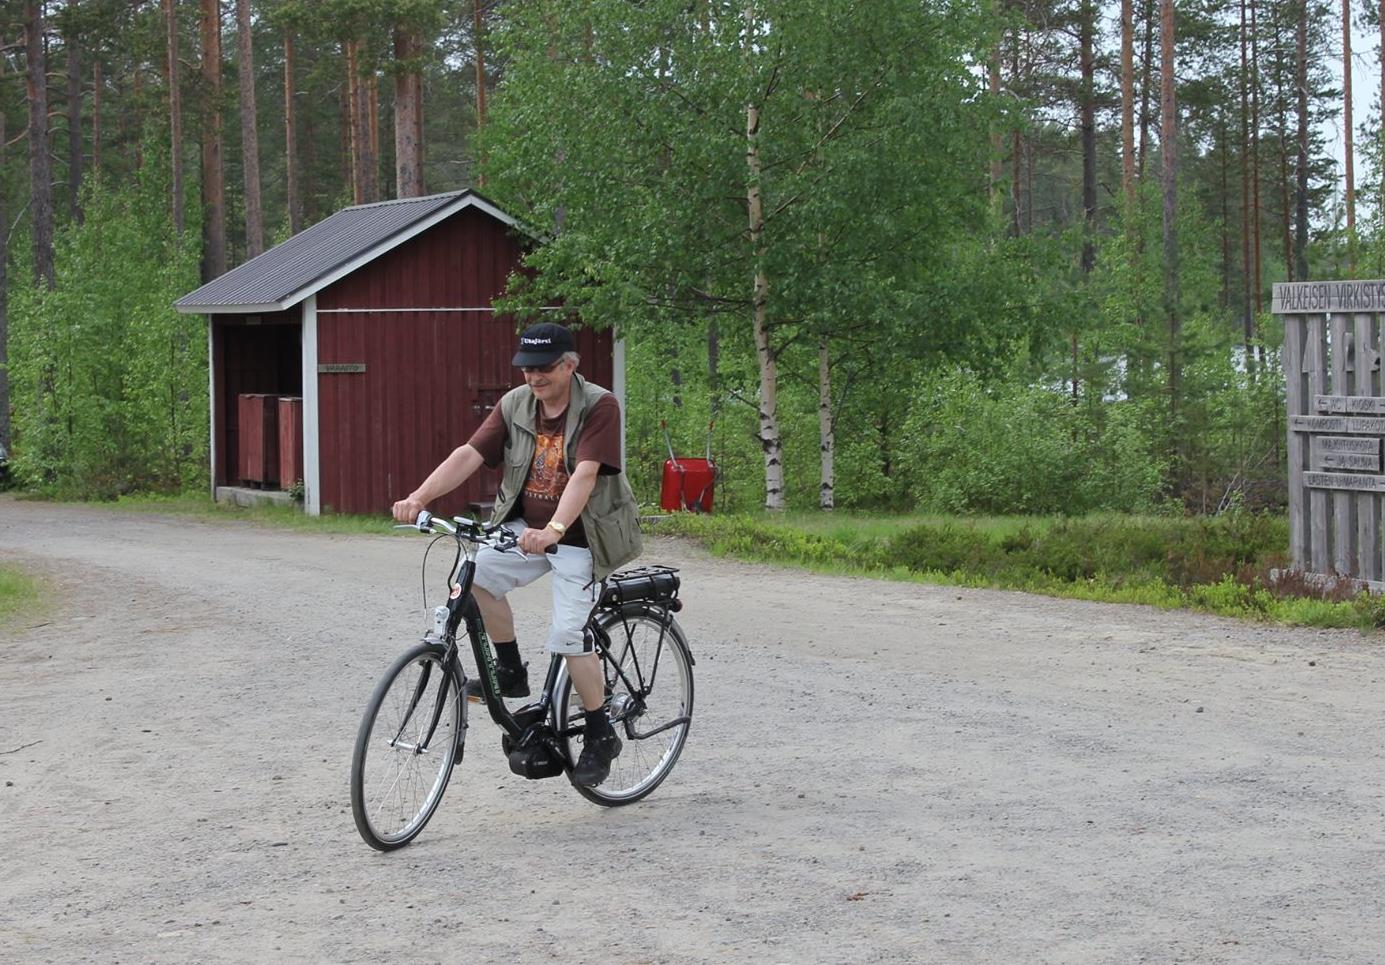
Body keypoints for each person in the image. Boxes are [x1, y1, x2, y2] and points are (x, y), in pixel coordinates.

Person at [391, 322, 642, 787]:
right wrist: (420, 496)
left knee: (568, 634)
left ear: (570, 365)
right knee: (476, 578)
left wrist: (555, 529)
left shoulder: (599, 405)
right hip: (527, 528)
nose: (534, 377)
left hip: (582, 534)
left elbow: (585, 476)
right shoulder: (515, 404)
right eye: (527, 368)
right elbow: (468, 454)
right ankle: (509, 673)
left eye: (544, 368)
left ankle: (600, 731)